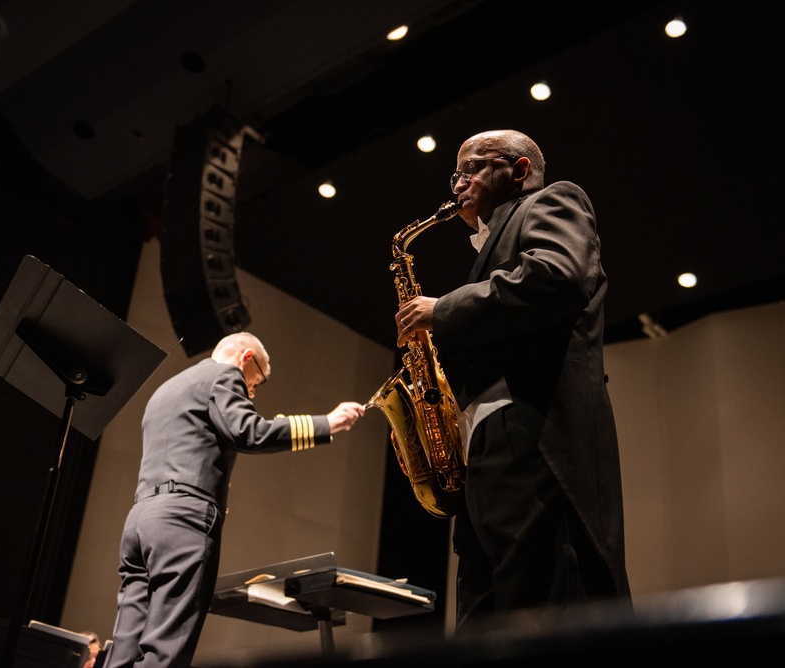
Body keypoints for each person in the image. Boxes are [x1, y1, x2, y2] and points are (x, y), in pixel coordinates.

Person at [395, 130, 630, 628]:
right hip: (488, 447)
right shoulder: (490, 239)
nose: (459, 183)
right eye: (455, 174)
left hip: (533, 432)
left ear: (518, 171)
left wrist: (444, 308)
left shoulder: (555, 199)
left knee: (540, 603)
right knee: (483, 613)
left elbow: (556, 275)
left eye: (471, 169)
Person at [106, 332, 365, 667]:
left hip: (140, 521)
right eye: (254, 381)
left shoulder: (166, 389)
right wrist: (327, 423)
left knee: (125, 647)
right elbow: (249, 432)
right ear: (245, 358)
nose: (252, 391)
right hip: (183, 521)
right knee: (165, 650)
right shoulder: (224, 375)